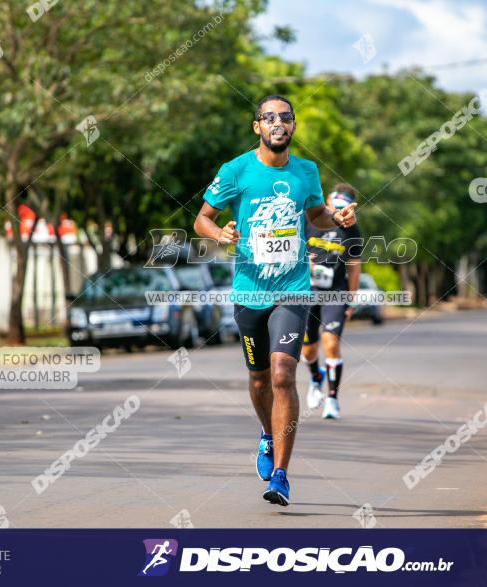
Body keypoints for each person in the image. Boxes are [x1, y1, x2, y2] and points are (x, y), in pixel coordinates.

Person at [193, 95, 357, 506]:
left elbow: (316, 212)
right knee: (259, 379)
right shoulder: (236, 170)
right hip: (250, 289)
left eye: (285, 117)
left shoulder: (306, 171)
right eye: (269, 118)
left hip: (293, 288)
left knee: (284, 374)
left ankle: (281, 475)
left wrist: (335, 219)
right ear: (258, 127)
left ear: (294, 126)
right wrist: (220, 236)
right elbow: (202, 219)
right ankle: (267, 435)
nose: (278, 123)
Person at [300, 184, 363, 419]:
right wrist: (304, 264)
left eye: (341, 208)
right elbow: (293, 252)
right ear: (326, 200)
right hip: (306, 292)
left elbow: (354, 268)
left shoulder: (351, 230)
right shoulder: (309, 220)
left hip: (335, 293)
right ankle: (316, 377)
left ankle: (332, 399)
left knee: (331, 343)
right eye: (333, 206)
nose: (337, 211)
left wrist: (351, 301)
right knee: (308, 351)